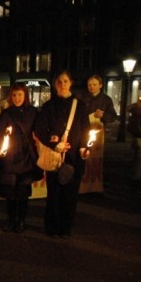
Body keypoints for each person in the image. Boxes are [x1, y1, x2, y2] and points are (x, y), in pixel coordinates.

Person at [35, 70, 91, 239]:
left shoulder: (80, 105)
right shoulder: (48, 106)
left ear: (71, 83)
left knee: (70, 195)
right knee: (54, 194)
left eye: (65, 81)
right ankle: (52, 227)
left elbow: (86, 129)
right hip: (54, 156)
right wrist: (54, 144)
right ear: (55, 84)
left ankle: (65, 228)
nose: (62, 84)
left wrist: (83, 147)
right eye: (59, 81)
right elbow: (39, 128)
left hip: (74, 158)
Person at [0, 84, 39, 233]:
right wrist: (3, 150)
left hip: (26, 157)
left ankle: (21, 221)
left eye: (20, 95)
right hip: (10, 158)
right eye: (14, 95)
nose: (17, 98)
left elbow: (38, 131)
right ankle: (11, 220)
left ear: (25, 96)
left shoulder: (33, 112)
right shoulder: (6, 113)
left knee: (23, 192)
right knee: (10, 193)